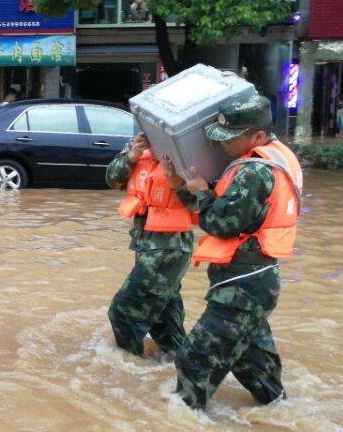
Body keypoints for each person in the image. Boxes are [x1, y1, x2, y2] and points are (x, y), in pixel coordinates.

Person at [168, 94, 302, 410]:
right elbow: (223, 212)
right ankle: (282, 415)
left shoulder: (255, 171)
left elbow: (221, 223)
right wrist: (182, 187)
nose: (224, 145)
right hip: (255, 279)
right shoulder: (274, 156)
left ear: (257, 135)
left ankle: (183, 418)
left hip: (243, 287)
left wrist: (200, 191)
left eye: (231, 138)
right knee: (253, 365)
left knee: (194, 359)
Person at [105, 132, 194, 357]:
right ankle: (176, 366)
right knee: (164, 322)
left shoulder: (186, 148)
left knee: (124, 312)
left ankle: (130, 373)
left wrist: (176, 181)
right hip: (144, 242)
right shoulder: (139, 143)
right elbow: (112, 179)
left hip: (169, 246)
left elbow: (200, 200)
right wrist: (132, 156)